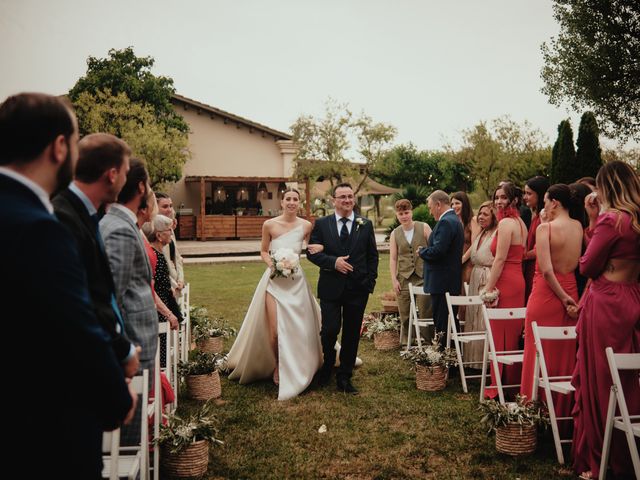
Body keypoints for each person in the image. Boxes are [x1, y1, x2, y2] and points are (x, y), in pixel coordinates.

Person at [0, 93, 135, 478]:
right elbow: (74, 327)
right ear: (60, 147)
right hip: (40, 428)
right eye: (75, 143)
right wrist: (115, 397)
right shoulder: (39, 227)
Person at [571, 161, 640, 480]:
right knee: (626, 379)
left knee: (600, 381)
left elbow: (586, 265)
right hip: (632, 297)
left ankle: (603, 460)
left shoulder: (612, 220)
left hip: (606, 302)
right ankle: (628, 453)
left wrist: (594, 218)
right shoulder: (636, 220)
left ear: (607, 186)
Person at [52, 133, 140, 379]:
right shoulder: (64, 217)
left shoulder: (86, 213)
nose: (125, 181)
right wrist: (123, 350)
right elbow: (82, 300)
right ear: (111, 175)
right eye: (124, 172)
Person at [227, 188, 325, 400]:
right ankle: (278, 364)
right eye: (288, 199)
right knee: (274, 331)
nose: (291, 202)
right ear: (282, 202)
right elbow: (263, 250)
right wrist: (273, 263)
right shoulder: (269, 225)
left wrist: (320, 247)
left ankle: (301, 363)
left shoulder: (306, 225)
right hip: (273, 281)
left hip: (296, 282)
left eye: (295, 199)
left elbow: (309, 248)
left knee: (300, 327)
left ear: (299, 203)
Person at [100, 158, 158, 445]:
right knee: (128, 439)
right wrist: (125, 351)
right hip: (133, 343)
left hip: (135, 343)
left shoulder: (120, 222)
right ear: (140, 186)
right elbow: (114, 295)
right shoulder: (120, 228)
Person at [519, 184, 582, 429]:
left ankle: (533, 412)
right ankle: (561, 414)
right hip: (571, 291)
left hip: (547, 295)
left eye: (546, 201)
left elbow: (546, 270)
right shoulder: (578, 227)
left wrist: (562, 296)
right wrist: (569, 297)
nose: (544, 206)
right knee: (564, 352)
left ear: (554, 202)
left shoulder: (545, 229)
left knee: (535, 350)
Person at [307, 183, 379, 394]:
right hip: (331, 287)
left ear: (354, 199)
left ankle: (345, 375)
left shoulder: (365, 224)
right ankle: (328, 363)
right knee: (329, 329)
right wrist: (333, 262)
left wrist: (369, 282)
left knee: (351, 333)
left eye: (350, 196)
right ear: (333, 200)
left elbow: (372, 255)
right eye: (342, 197)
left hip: (358, 289)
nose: (346, 200)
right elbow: (312, 252)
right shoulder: (322, 224)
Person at [482, 182, 527, 399]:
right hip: (517, 280)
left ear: (513, 200)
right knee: (511, 333)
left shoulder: (508, 223)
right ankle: (509, 383)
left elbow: (500, 260)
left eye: (503, 197)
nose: (499, 201)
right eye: (496, 197)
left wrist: (488, 289)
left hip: (506, 282)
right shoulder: (520, 223)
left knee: (501, 334)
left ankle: (499, 385)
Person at [419, 190, 464, 348]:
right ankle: (451, 360)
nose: (430, 211)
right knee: (449, 321)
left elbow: (438, 251)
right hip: (447, 281)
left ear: (438, 204)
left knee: (443, 323)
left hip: (442, 282)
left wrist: (421, 251)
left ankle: (445, 362)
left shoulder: (446, 222)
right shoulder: (454, 220)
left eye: (431, 207)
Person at [389, 199, 432, 345]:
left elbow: (434, 250)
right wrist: (394, 280)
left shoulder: (424, 227)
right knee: (405, 312)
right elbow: (393, 258)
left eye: (406, 212)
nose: (404, 216)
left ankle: (428, 340)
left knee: (426, 310)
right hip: (404, 277)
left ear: (411, 212)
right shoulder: (395, 233)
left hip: (423, 276)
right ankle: (408, 341)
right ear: (397, 215)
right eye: (400, 213)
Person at [463, 201, 498, 368]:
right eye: (480, 214)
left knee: (483, 320)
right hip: (476, 275)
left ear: (494, 216)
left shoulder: (497, 233)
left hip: (488, 276)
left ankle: (484, 362)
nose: (481, 217)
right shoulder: (482, 233)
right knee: (473, 317)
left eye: (486, 214)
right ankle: (471, 360)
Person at [522, 176, 549, 304]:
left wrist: (523, 255)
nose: (525, 197)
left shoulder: (543, 218)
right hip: (529, 268)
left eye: (529, 193)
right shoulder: (534, 216)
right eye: (524, 193)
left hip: (535, 268)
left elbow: (539, 249)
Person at [156, 192, 185, 298]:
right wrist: (174, 284)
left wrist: (180, 280)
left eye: (171, 206)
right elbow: (159, 265)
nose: (169, 209)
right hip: (165, 287)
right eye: (165, 206)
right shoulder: (153, 232)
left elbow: (177, 258)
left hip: (176, 285)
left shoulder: (170, 229)